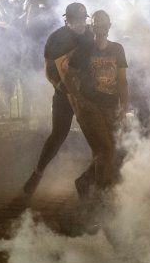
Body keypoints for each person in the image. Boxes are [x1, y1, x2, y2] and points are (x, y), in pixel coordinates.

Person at [55, 10, 129, 198]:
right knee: (105, 150)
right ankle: (103, 196)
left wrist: (124, 107)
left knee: (108, 152)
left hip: (111, 107)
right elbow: (68, 77)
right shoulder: (83, 50)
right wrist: (80, 100)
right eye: (97, 23)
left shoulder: (117, 49)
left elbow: (122, 81)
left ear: (110, 26)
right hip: (90, 108)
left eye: (104, 23)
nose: (101, 27)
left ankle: (85, 182)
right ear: (92, 27)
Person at [22, 2, 92, 195]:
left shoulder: (90, 34)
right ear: (67, 20)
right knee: (59, 133)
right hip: (64, 94)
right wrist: (59, 86)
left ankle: (89, 178)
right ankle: (38, 173)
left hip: (87, 93)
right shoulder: (57, 38)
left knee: (96, 135)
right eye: (77, 19)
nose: (81, 23)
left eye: (83, 19)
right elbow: (49, 69)